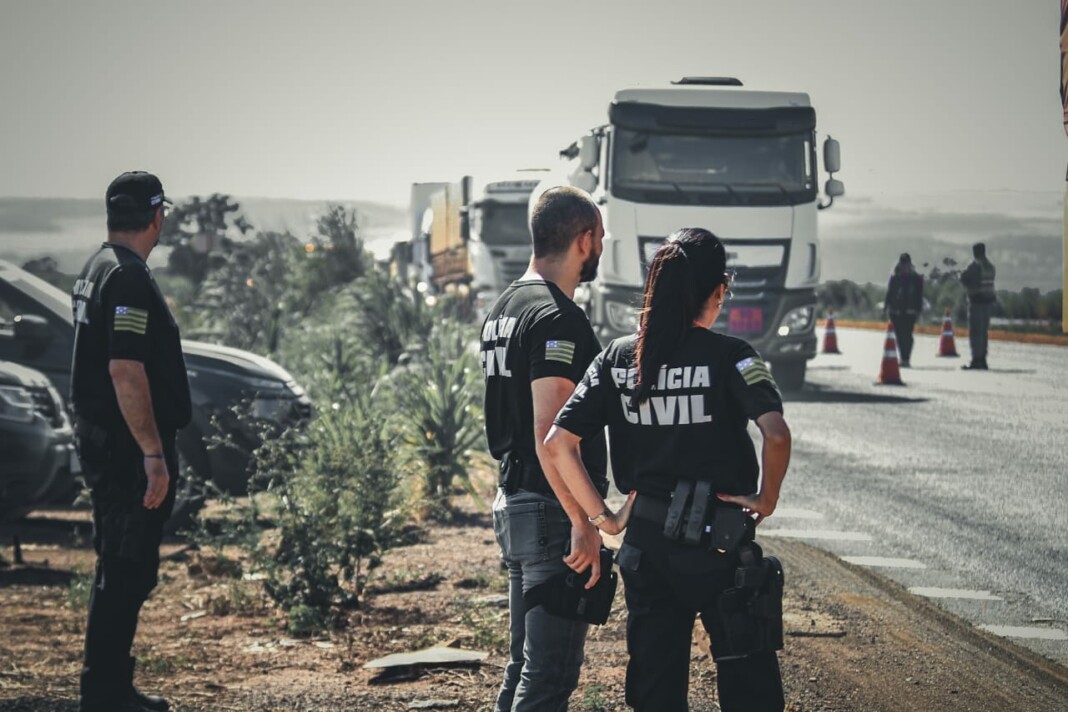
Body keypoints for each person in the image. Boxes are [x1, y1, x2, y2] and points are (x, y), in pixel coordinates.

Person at [545, 228, 792, 712]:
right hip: (722, 546)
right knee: (750, 689)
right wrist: (767, 498)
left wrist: (606, 520)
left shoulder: (620, 358)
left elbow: (558, 443)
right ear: (719, 290)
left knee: (655, 692)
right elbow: (777, 434)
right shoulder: (732, 355)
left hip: (649, 547)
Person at [479, 186, 609, 711]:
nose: (600, 246)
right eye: (599, 237)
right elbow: (549, 432)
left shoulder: (504, 306)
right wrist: (583, 519)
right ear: (583, 240)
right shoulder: (557, 318)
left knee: (524, 668)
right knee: (550, 677)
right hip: (551, 514)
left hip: (515, 505)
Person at [71, 172, 191, 712]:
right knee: (126, 568)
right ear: (156, 216)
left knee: (116, 567)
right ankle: (105, 693)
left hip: (107, 443)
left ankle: (109, 685)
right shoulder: (127, 279)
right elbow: (125, 369)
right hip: (126, 453)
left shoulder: (98, 267)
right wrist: (153, 454)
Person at [959, 242, 996, 370]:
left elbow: (965, 279)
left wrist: (961, 273)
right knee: (983, 333)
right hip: (988, 303)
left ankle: (976, 360)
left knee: (975, 333)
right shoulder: (990, 266)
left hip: (976, 302)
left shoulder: (975, 266)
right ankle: (983, 360)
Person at [885, 253, 924, 367]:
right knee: (898, 335)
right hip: (896, 311)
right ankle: (903, 357)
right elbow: (890, 293)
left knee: (907, 335)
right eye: (903, 264)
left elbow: (918, 296)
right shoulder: (895, 277)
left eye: (906, 264)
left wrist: (918, 310)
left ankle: (906, 358)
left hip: (910, 311)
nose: (905, 267)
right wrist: (887, 307)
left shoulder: (916, 279)